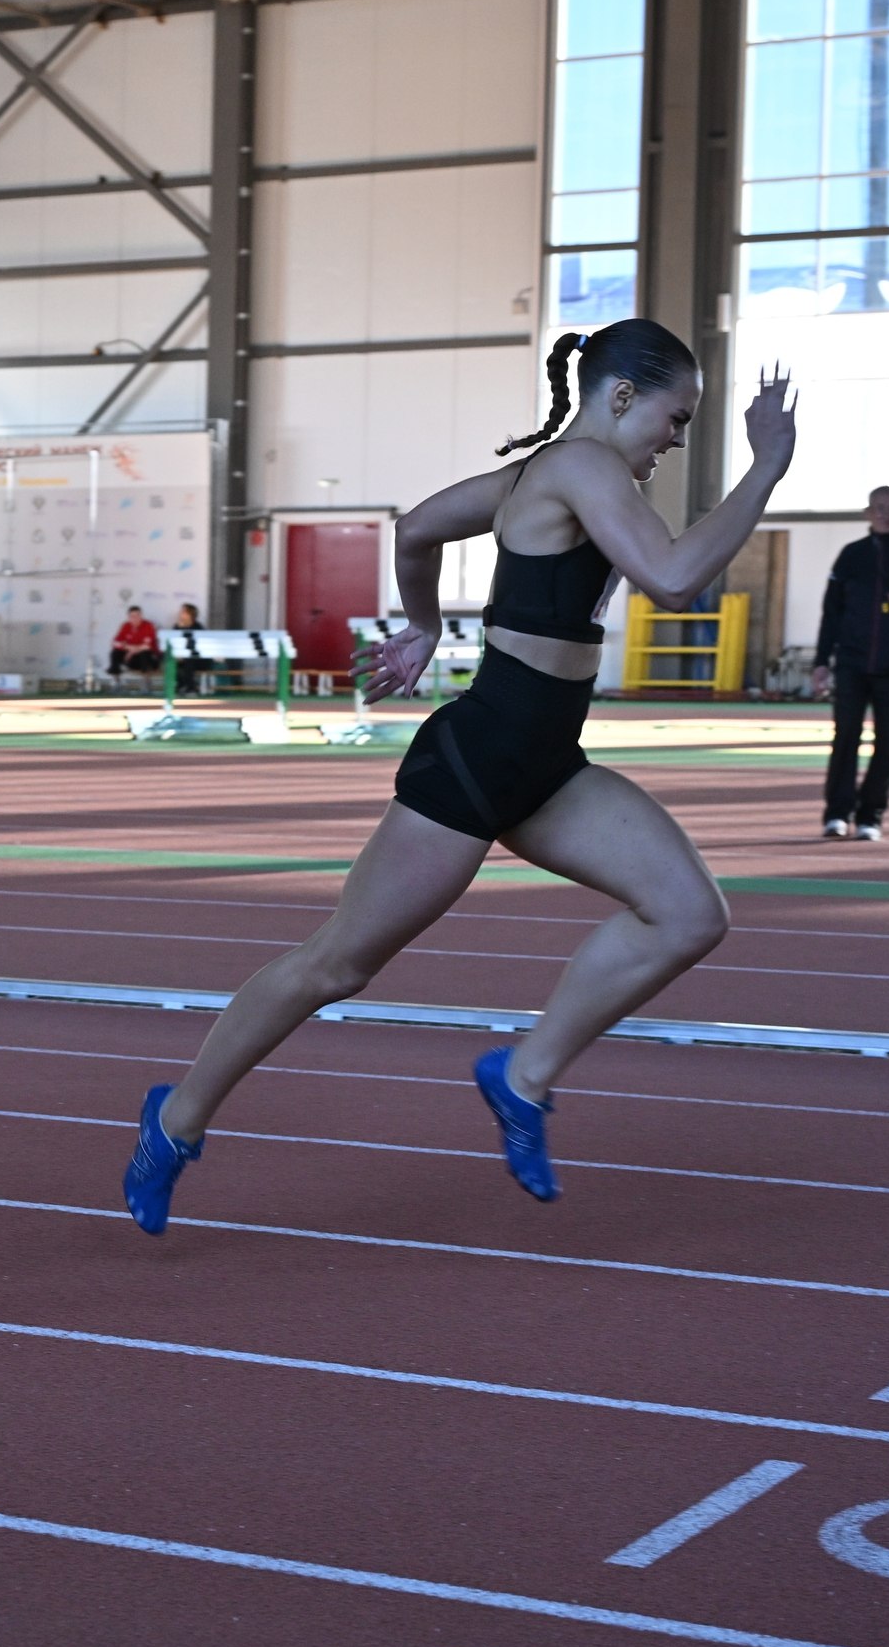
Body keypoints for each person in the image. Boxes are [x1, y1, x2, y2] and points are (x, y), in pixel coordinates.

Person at [123, 321, 796, 1223]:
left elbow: (417, 529)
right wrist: (765, 467)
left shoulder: (545, 476)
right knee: (336, 964)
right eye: (676, 419)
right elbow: (673, 580)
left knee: (688, 912)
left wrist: (424, 623)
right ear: (621, 395)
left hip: (548, 766)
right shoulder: (584, 465)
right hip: (478, 761)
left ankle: (524, 1076)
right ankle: (176, 1118)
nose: (675, 441)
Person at [809, 485, 889, 841]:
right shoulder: (851, 555)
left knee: (888, 744)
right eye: (879, 507)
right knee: (845, 739)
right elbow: (831, 613)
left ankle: (871, 817)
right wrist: (821, 662)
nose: (886, 513)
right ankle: (837, 814)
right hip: (851, 664)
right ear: (868, 512)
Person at [107, 605, 161, 679]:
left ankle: (146, 678)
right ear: (128, 617)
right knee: (115, 652)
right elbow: (115, 643)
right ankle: (115, 675)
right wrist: (128, 648)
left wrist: (131, 652)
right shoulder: (126, 626)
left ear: (141, 616)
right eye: (132, 616)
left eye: (137, 616)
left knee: (145, 653)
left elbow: (147, 646)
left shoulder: (148, 625)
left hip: (147, 658)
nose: (135, 618)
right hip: (131, 657)